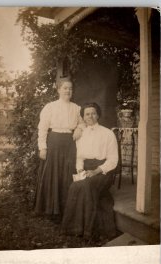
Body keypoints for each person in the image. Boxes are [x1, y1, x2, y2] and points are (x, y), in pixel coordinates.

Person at [61, 102, 118, 240]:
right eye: (87, 114)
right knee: (75, 186)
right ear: (83, 117)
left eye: (93, 113)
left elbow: (113, 160)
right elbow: (79, 157)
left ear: (98, 115)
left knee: (87, 185)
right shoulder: (81, 134)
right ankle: (73, 228)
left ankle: (88, 230)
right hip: (86, 169)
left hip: (103, 171)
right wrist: (80, 170)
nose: (90, 116)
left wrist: (96, 171)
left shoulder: (108, 133)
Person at [34, 78, 84, 221]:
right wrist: (42, 148)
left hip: (69, 143)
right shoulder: (50, 107)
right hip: (54, 142)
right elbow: (42, 128)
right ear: (58, 90)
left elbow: (82, 123)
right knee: (53, 173)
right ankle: (50, 209)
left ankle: (64, 209)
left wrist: (79, 129)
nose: (68, 91)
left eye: (70, 88)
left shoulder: (76, 108)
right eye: (65, 88)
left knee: (67, 173)